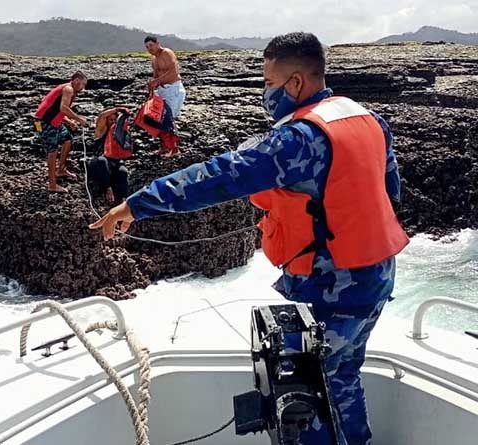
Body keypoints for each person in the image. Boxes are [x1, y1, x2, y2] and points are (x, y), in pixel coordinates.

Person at [90, 32, 409, 445]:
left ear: (295, 83)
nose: (266, 92)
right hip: (378, 273)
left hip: (336, 286)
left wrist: (136, 204)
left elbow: (220, 177)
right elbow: (391, 188)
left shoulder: (299, 139)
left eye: (268, 83)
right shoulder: (364, 117)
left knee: (309, 390)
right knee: (342, 376)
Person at [34, 71, 89, 193]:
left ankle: (61, 170)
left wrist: (69, 122)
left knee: (67, 140)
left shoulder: (66, 89)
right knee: (52, 151)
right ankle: (52, 184)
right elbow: (63, 108)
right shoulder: (68, 89)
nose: (83, 88)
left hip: (53, 123)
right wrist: (79, 119)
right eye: (82, 84)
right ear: (76, 81)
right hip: (43, 123)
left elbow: (57, 110)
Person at [145, 36, 186, 157]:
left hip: (173, 88)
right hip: (163, 90)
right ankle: (165, 147)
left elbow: (173, 71)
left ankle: (174, 149)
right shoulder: (154, 59)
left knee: (168, 119)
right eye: (147, 47)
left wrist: (156, 81)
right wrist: (152, 88)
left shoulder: (167, 53)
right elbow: (155, 76)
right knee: (160, 119)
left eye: (151, 45)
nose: (149, 49)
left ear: (158, 44)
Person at [87, 107, 131, 204]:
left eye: (115, 120)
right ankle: (108, 189)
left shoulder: (119, 132)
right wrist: (117, 109)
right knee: (102, 161)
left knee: (123, 171)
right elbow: (101, 116)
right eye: (110, 119)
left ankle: (123, 200)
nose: (113, 122)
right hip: (98, 162)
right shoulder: (101, 130)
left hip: (114, 162)